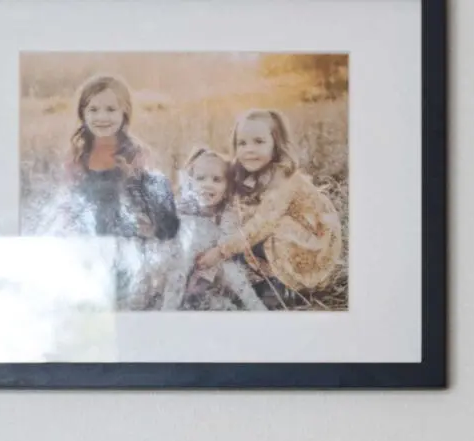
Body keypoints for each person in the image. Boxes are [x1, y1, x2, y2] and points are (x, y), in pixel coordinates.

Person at [42, 73, 179, 306]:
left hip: (128, 240)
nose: (101, 117)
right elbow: (68, 203)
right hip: (89, 242)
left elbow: (152, 207)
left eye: (110, 109)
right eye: (93, 110)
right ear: (82, 113)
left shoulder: (135, 154)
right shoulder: (76, 155)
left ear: (124, 112)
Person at [193, 108, 343, 305]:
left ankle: (289, 286)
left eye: (259, 142)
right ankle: (261, 277)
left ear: (276, 145)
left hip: (314, 244)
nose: (249, 150)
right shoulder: (253, 172)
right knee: (242, 222)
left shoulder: (283, 179)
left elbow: (261, 226)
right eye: (242, 143)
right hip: (289, 235)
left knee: (264, 229)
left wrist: (220, 251)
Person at [161, 147, 266, 312]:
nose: (207, 185)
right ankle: (168, 311)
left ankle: (255, 307)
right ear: (190, 182)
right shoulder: (184, 207)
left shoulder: (227, 213)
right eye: (200, 178)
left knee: (231, 270)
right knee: (178, 268)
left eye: (217, 180)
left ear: (227, 188)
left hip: (215, 265)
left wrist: (213, 256)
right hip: (186, 266)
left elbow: (227, 242)